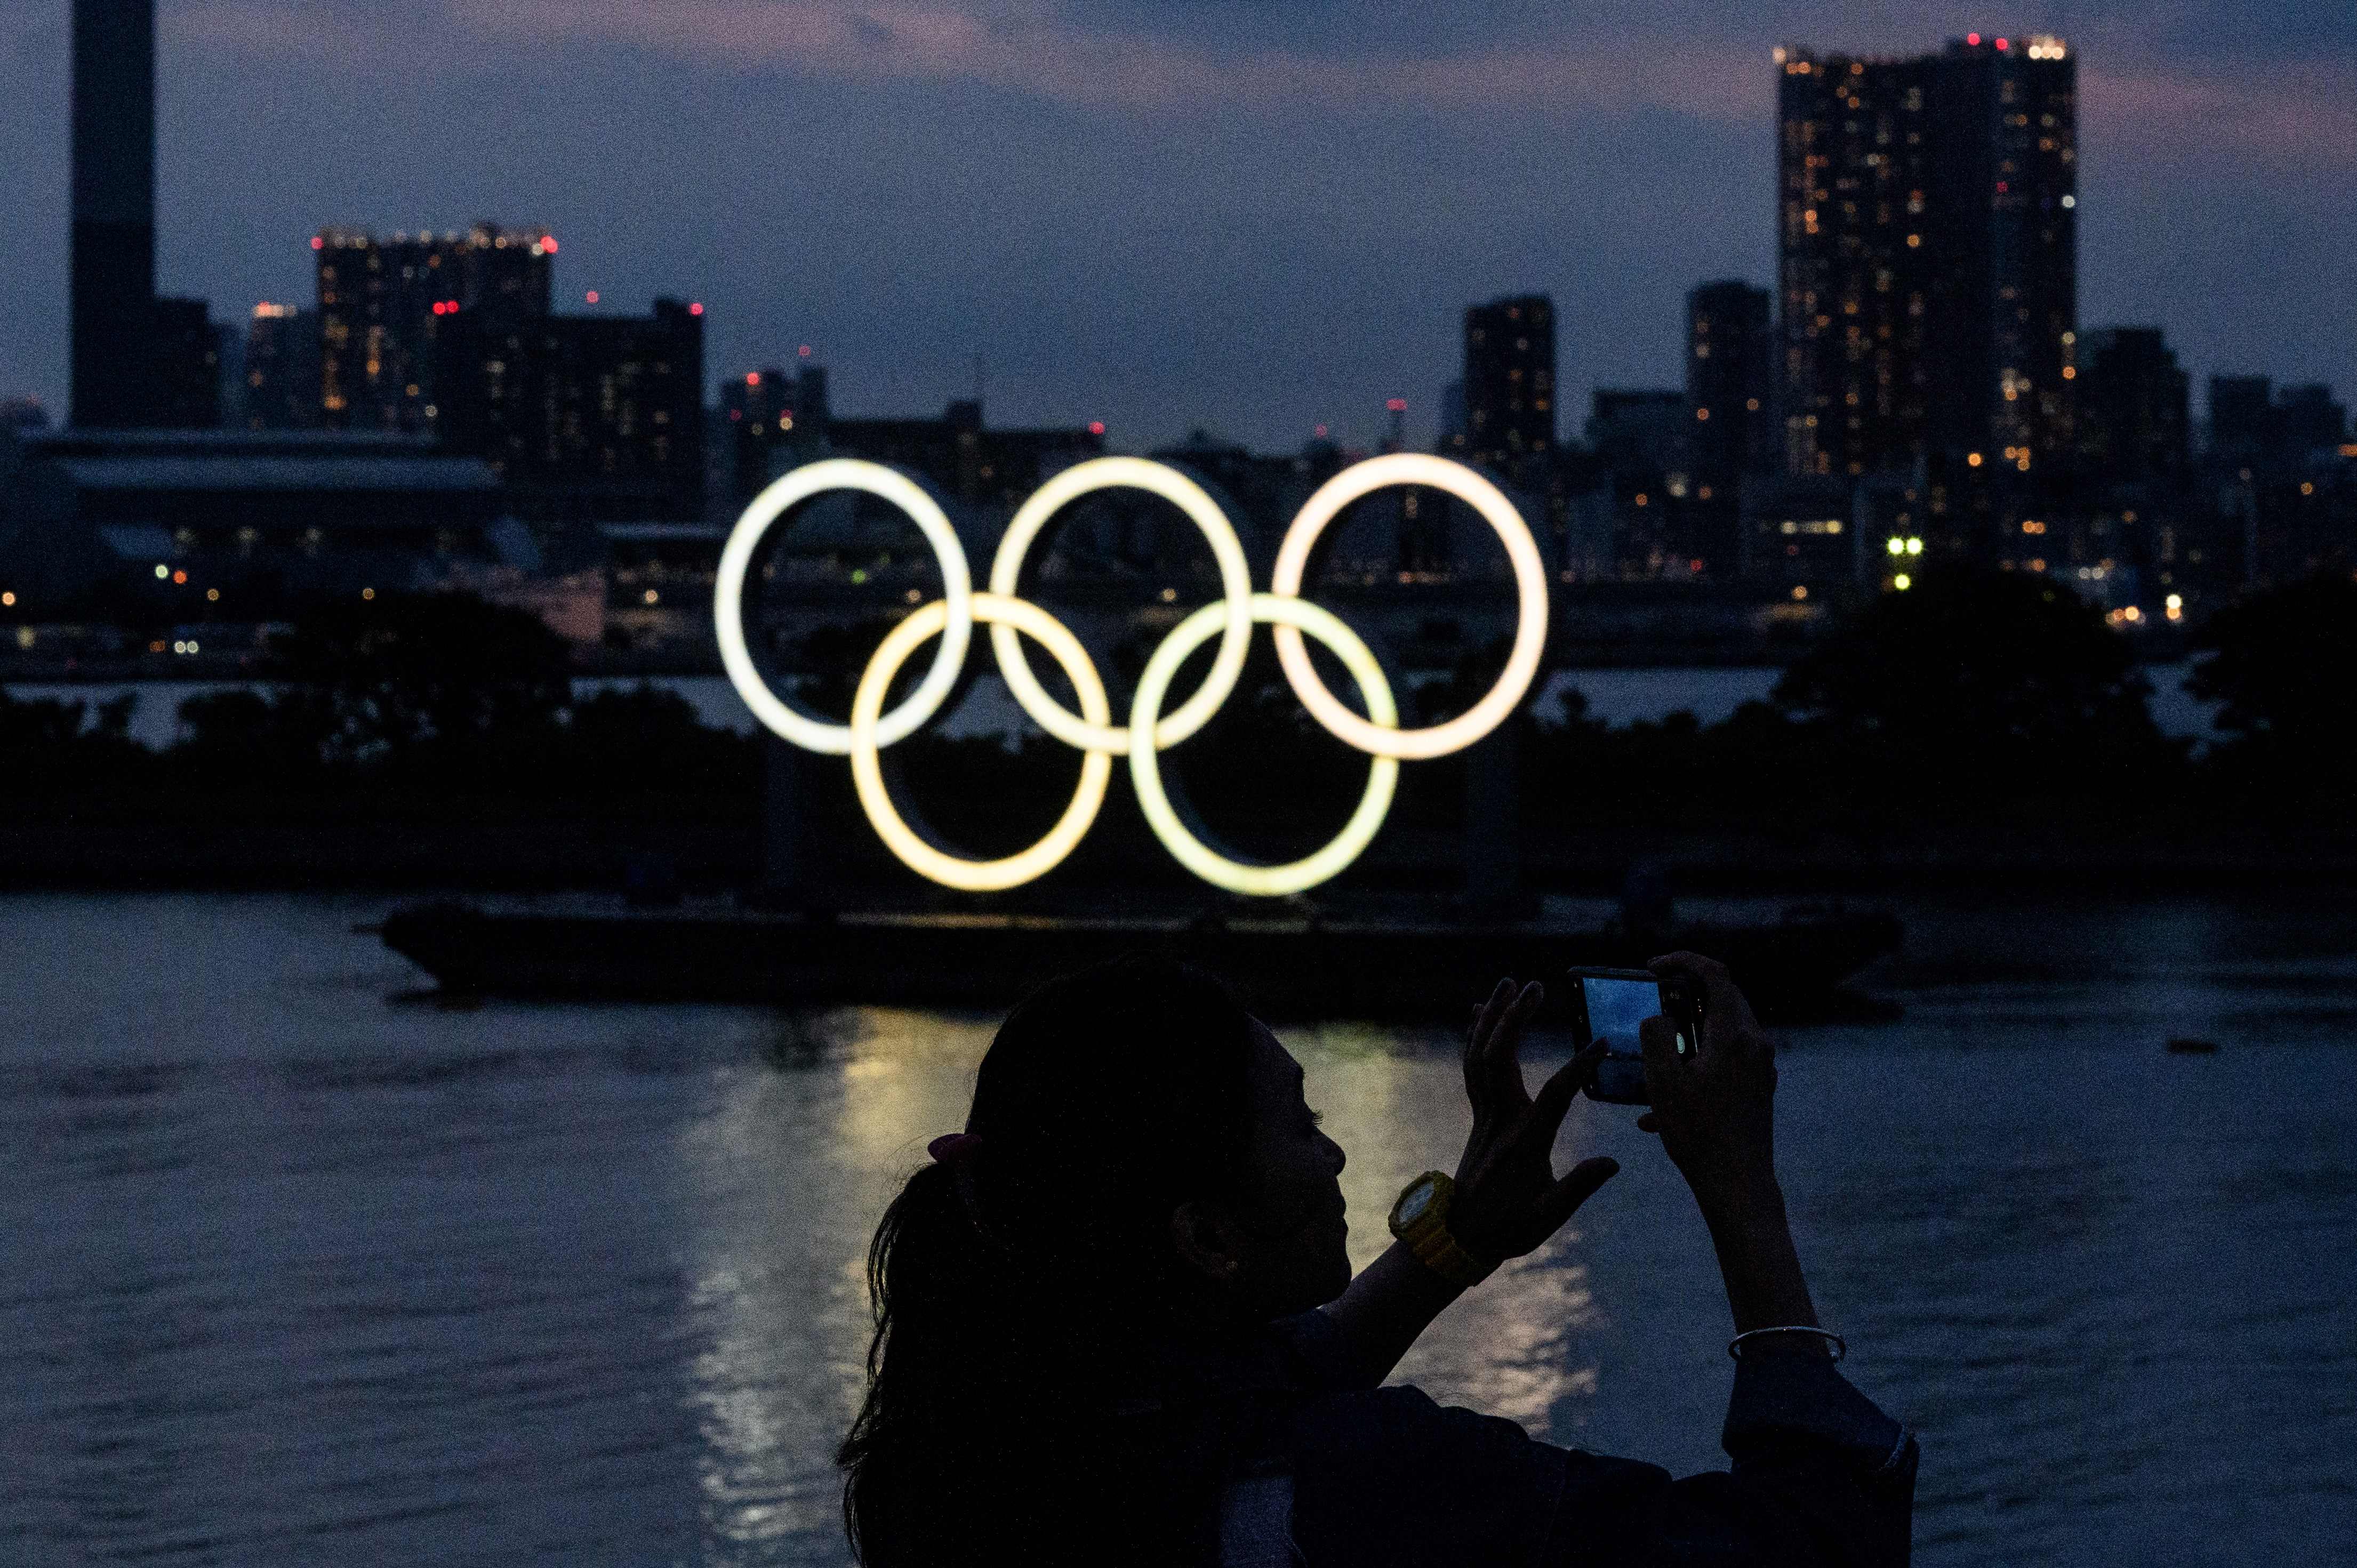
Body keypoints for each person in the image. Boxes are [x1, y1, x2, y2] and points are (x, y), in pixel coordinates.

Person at [838, 952, 1916, 1566]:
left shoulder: (972, 1458)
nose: (1336, 1150)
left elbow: (1257, 1380)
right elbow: (1818, 1544)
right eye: (1298, 1125)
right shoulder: (1371, 1483)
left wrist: (1457, 1241)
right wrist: (1741, 1196)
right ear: (1208, 1239)